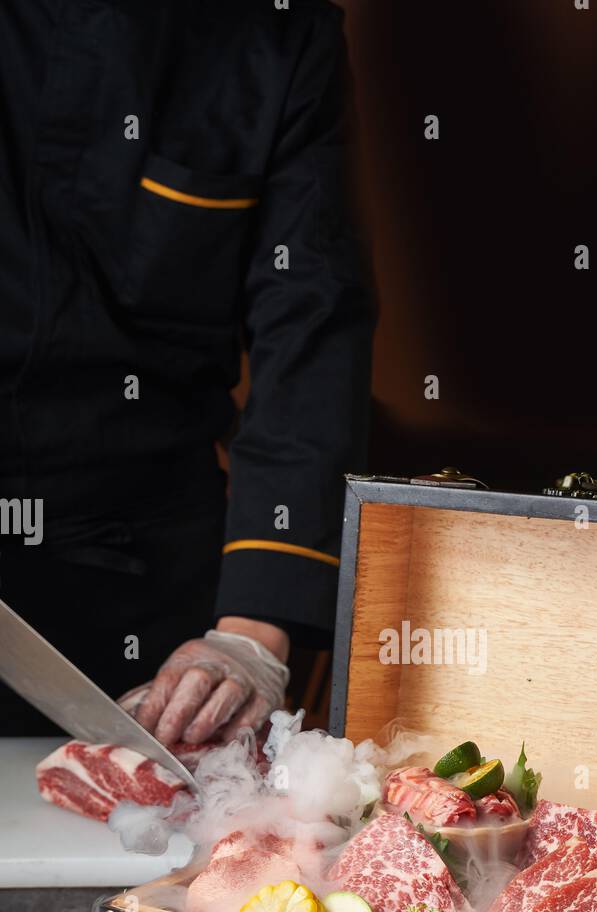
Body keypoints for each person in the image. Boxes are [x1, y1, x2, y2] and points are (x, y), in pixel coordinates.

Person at [0, 0, 374, 743]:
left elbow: (312, 321)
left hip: (148, 580)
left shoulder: (279, 34)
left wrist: (250, 632)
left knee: (142, 843)